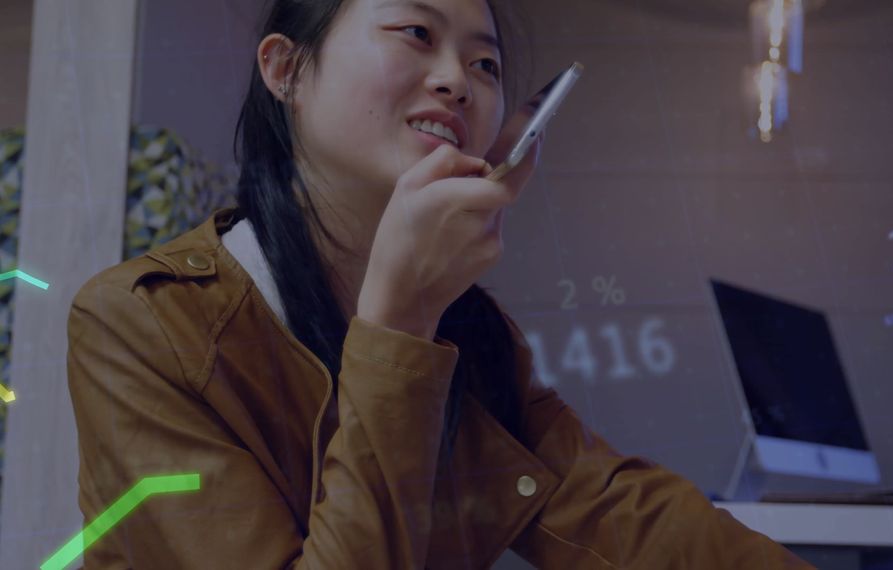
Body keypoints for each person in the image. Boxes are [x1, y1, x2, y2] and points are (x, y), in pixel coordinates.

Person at [67, 0, 812, 567]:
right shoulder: (141, 325)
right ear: (286, 69)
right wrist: (400, 325)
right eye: (417, 33)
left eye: (485, 65)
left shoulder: (472, 337)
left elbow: (622, 513)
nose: (458, 81)